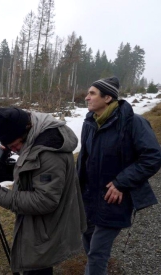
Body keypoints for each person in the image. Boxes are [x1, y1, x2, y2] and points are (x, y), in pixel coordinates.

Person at [0, 107, 87, 275]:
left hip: (45, 229)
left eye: (15, 145)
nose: (14, 150)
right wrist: (8, 171)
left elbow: (45, 200)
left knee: (38, 269)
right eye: (9, 147)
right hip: (41, 226)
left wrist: (0, 195)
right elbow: (34, 172)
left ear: (26, 131)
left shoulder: (48, 152)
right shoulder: (36, 135)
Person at [77, 76, 161, 275]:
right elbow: (84, 159)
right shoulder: (90, 122)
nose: (87, 98)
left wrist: (121, 183)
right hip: (89, 197)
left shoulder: (133, 123)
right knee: (88, 244)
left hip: (114, 198)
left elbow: (153, 157)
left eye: (92, 93)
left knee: (98, 253)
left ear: (107, 98)